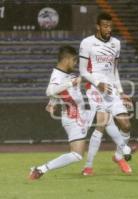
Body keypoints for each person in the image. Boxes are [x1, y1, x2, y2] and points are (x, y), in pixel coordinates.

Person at [79, 12, 134, 175]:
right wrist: (98, 83)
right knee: (102, 124)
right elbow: (82, 71)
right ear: (98, 26)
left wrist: (121, 91)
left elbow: (114, 70)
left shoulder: (116, 43)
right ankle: (88, 166)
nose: (109, 29)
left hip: (111, 89)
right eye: (105, 26)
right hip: (94, 88)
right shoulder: (87, 43)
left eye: (110, 26)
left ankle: (118, 157)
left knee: (126, 124)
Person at [29, 46, 91, 180]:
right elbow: (50, 90)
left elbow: (57, 93)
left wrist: (52, 102)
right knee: (77, 155)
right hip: (73, 116)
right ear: (67, 59)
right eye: (74, 60)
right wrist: (71, 83)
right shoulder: (57, 75)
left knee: (107, 119)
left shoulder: (66, 74)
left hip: (81, 113)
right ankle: (41, 169)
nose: (75, 63)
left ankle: (122, 152)